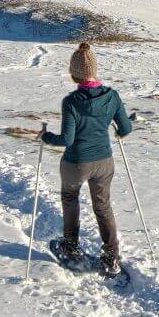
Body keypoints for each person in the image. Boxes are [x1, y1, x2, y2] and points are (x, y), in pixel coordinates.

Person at [41, 42, 133, 274]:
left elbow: (67, 139)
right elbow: (125, 128)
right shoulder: (112, 97)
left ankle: (71, 246)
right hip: (104, 161)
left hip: (76, 162)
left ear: (74, 73)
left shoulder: (71, 102)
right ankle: (111, 256)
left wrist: (47, 137)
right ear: (95, 69)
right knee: (103, 206)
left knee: (70, 198)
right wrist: (122, 127)